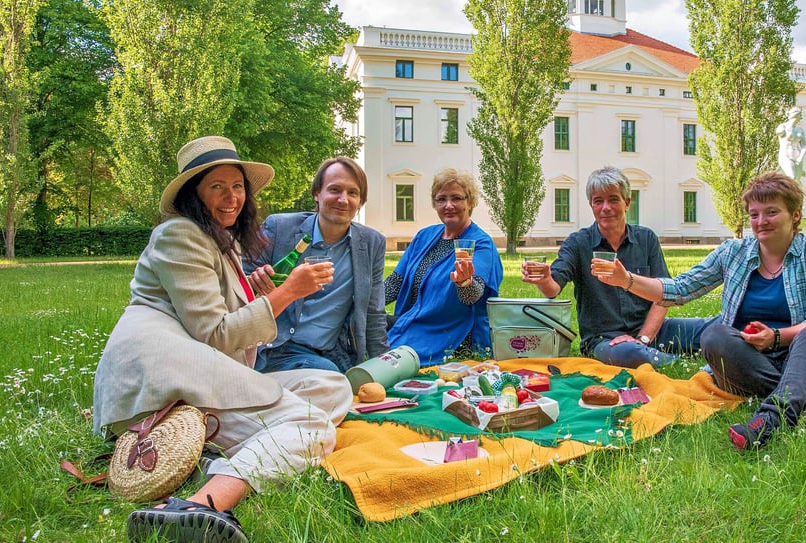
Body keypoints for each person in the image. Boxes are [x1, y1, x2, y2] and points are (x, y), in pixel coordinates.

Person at [92, 136, 352, 543]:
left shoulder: (218, 240)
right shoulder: (179, 235)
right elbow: (215, 335)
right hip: (163, 382)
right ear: (194, 194)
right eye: (217, 186)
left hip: (195, 373)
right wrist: (288, 293)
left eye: (237, 186)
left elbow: (214, 312)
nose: (231, 197)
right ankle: (201, 504)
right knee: (314, 426)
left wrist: (258, 292)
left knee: (333, 385)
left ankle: (237, 446)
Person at [600, 172, 806, 449]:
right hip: (754, 362)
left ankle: (771, 419)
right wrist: (626, 280)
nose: (761, 222)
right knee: (714, 336)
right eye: (754, 214)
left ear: (795, 215)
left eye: (771, 212)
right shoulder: (734, 252)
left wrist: (776, 336)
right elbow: (680, 289)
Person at [522, 166, 718, 368]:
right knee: (628, 353)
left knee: (716, 327)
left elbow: (663, 297)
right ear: (591, 205)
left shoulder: (646, 238)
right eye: (598, 201)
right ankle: (674, 362)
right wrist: (544, 278)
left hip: (652, 331)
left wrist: (643, 338)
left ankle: (650, 352)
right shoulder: (578, 243)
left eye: (613, 199)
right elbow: (553, 288)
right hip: (605, 340)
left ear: (627, 202)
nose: (605, 207)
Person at [246, 157, 388, 373]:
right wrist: (255, 281)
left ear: (361, 202)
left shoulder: (371, 243)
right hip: (272, 348)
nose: (343, 199)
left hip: (328, 354)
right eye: (334, 190)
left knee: (332, 378)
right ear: (317, 193)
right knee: (329, 379)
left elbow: (374, 312)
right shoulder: (279, 228)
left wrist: (383, 367)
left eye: (353, 193)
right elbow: (237, 287)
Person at [385, 168, 502, 366]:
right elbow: (395, 282)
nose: (448, 205)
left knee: (389, 356)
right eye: (441, 199)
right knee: (356, 321)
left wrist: (465, 283)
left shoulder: (481, 244)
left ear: (470, 202)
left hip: (448, 334)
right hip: (412, 321)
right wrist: (363, 305)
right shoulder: (424, 236)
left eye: (456, 198)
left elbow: (473, 294)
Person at [776, 106, 806, 183]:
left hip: (797, 156)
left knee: (797, 181)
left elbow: (805, 146)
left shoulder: (800, 129)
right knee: (792, 177)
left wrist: (800, 157)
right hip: (786, 155)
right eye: (800, 115)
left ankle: (797, 195)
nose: (801, 118)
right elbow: (778, 133)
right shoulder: (783, 127)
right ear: (795, 115)